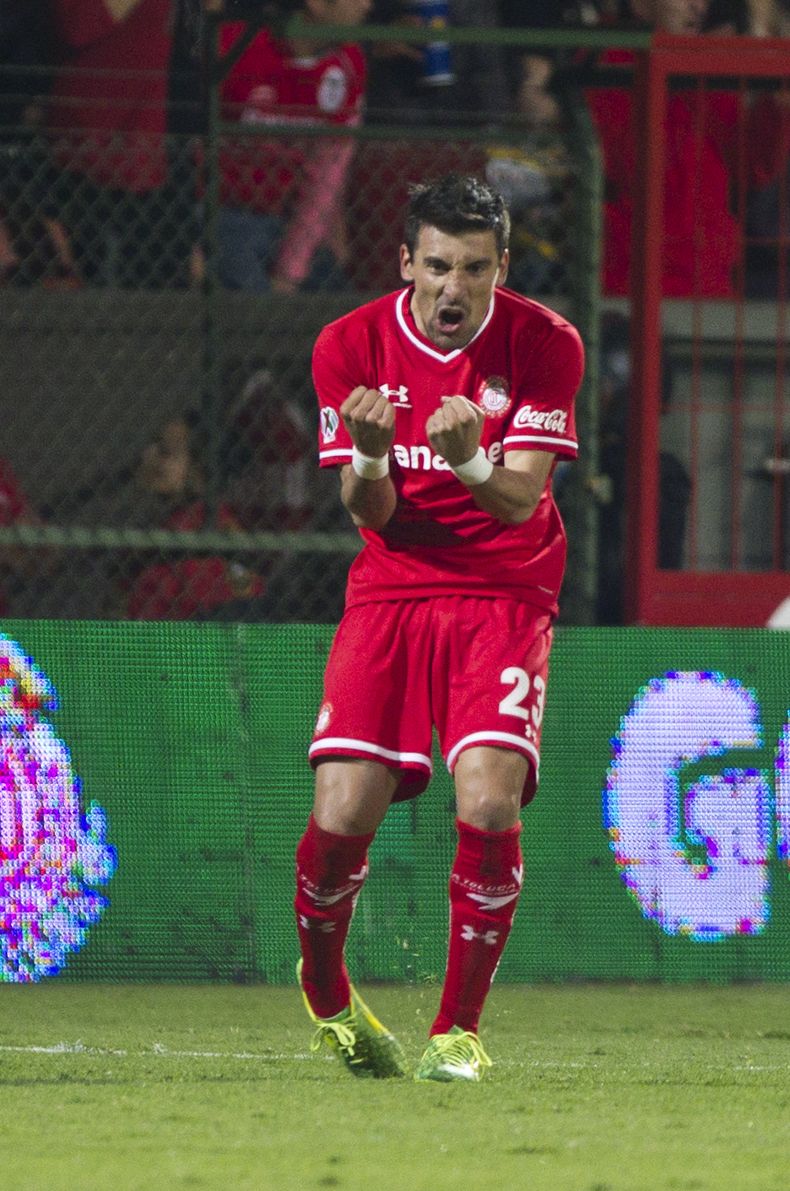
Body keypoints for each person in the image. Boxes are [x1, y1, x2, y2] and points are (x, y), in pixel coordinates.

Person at [294, 173, 584, 1081]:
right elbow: (368, 510)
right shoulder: (348, 344)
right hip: (393, 585)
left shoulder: (545, 342)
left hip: (505, 585)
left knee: (489, 798)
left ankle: (457, 1031)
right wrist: (374, 450)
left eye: (475, 268)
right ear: (405, 263)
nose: (454, 287)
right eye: (437, 266)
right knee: (343, 809)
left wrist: (466, 459)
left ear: (502, 267)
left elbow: (520, 499)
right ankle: (328, 991)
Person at [212, 0, 370, 293]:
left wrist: (290, 270)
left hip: (289, 218)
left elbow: (326, 177)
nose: (366, 5)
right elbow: (194, 144)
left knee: (342, 301)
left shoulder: (349, 62)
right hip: (223, 213)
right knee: (252, 297)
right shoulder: (235, 45)